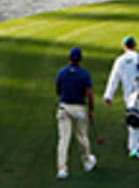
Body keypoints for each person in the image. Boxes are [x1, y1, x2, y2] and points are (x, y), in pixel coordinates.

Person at [55, 46, 98, 179]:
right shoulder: (84, 74)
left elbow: (58, 90)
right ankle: (87, 161)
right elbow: (89, 94)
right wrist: (91, 110)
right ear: (81, 59)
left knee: (64, 139)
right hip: (79, 108)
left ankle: (62, 168)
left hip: (64, 107)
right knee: (82, 136)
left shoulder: (61, 72)